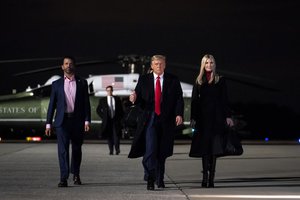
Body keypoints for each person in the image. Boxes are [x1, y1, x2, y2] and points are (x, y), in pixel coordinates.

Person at [128, 55, 184, 190]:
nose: (158, 66)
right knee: (150, 150)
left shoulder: (173, 80)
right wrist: (134, 98)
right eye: (156, 64)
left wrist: (179, 114)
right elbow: (138, 98)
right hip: (149, 119)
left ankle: (160, 178)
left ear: (165, 65)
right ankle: (150, 177)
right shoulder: (143, 80)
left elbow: (179, 99)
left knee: (162, 151)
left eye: (161, 63)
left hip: (166, 120)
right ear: (151, 66)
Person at [189, 54, 234, 188]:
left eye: (211, 62)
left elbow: (225, 99)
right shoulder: (198, 80)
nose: (209, 65)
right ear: (203, 64)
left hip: (217, 118)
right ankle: (204, 178)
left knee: (214, 149)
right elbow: (194, 101)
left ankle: (212, 179)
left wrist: (228, 116)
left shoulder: (221, 79)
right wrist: (193, 117)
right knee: (204, 149)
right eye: (207, 63)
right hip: (202, 120)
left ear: (214, 64)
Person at [45, 56, 91, 187]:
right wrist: (48, 123)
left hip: (77, 121)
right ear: (62, 66)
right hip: (62, 122)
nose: (68, 66)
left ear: (74, 66)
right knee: (63, 150)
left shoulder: (82, 83)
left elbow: (86, 103)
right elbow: (52, 105)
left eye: (70, 64)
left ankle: (76, 174)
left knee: (77, 149)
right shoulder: (56, 84)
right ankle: (63, 178)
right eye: (66, 64)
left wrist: (87, 120)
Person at [96, 85, 124, 155]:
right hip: (107, 121)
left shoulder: (117, 99)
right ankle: (111, 150)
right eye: (108, 90)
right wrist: (103, 117)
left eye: (110, 90)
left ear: (112, 90)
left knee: (116, 136)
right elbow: (98, 110)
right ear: (106, 91)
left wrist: (120, 118)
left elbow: (121, 110)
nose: (109, 92)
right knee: (109, 136)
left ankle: (117, 150)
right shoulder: (102, 100)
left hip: (115, 120)